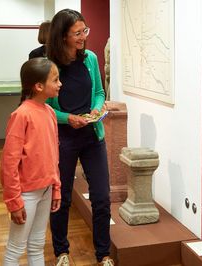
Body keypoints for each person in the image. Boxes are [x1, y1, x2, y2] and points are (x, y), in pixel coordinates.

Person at [46, 9, 113, 266]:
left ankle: (103, 254)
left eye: (85, 31)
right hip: (63, 138)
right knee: (60, 198)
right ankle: (62, 251)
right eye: (77, 33)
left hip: (92, 135)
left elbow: (98, 91)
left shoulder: (91, 59)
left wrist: (97, 108)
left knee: (101, 197)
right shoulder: (49, 64)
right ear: (63, 36)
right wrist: (68, 118)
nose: (83, 36)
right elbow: (45, 106)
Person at [0, 57, 62, 265]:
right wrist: (14, 202)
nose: (59, 84)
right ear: (38, 86)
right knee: (15, 250)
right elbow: (8, 163)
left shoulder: (51, 113)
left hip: (46, 191)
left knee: (37, 246)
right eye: (55, 80)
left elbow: (54, 155)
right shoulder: (21, 115)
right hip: (25, 194)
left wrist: (56, 187)